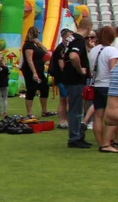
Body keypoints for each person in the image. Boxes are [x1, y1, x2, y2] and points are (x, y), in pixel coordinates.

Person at [62, 19, 93, 149]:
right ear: (88, 27)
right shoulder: (79, 40)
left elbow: (65, 55)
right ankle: (75, 138)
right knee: (76, 109)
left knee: (74, 107)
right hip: (75, 79)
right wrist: (80, 70)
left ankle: (75, 136)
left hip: (69, 78)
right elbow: (74, 56)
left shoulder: (70, 38)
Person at [88, 25, 118, 152]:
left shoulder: (94, 50)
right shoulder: (112, 50)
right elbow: (113, 70)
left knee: (98, 116)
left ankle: (101, 143)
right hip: (109, 85)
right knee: (112, 117)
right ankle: (110, 142)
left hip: (96, 85)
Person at [21, 26, 51, 118]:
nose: (39, 34)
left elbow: (47, 53)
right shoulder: (28, 45)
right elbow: (29, 60)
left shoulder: (36, 44)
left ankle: (44, 111)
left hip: (40, 70)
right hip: (31, 71)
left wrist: (40, 43)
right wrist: (34, 73)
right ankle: (29, 113)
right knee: (31, 90)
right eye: (38, 32)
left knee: (44, 88)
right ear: (34, 33)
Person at [50, 30, 70, 127]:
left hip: (61, 78)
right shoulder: (61, 49)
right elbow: (61, 65)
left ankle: (64, 120)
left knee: (64, 99)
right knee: (65, 99)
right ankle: (62, 120)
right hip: (62, 78)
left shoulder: (64, 48)